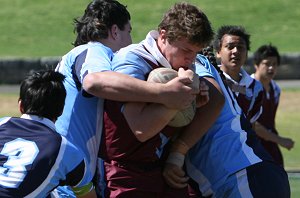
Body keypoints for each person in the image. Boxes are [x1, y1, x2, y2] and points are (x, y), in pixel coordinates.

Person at [54, 0, 197, 196]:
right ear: (114, 31)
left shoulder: (76, 55)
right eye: (128, 32)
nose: (131, 41)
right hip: (71, 178)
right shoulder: (94, 50)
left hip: (69, 173)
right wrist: (165, 93)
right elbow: (94, 82)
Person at [99, 2, 214, 197]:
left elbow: (172, 118)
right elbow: (141, 129)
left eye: (196, 52)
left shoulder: (182, 65)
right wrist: (183, 96)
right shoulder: (132, 61)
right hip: (125, 173)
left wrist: (193, 104)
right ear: (163, 35)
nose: (191, 60)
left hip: (159, 168)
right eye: (186, 50)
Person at [163, 51, 291, 197]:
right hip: (248, 175)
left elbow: (216, 100)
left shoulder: (193, 63)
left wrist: (177, 153)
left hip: (245, 175)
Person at [0, 70, 96, 198]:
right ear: (61, 110)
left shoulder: (2, 123)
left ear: (21, 106)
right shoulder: (68, 150)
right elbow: (88, 195)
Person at [252, 44, 294, 167]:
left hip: (270, 145)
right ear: (256, 65)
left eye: (274, 64)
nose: (271, 68)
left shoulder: (275, 89)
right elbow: (254, 124)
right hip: (252, 146)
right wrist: (280, 140)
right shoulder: (249, 88)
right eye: (267, 63)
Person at [212, 25, 264, 125]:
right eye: (230, 47)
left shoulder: (255, 88)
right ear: (218, 52)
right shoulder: (209, 79)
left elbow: (250, 124)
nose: (236, 51)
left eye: (240, 47)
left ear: (247, 54)